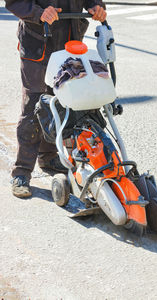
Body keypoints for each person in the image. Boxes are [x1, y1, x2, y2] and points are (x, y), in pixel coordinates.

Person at [5, 0, 106, 198]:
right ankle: (22, 172)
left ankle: (48, 157)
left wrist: (96, 5)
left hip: (70, 42)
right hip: (38, 43)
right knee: (34, 105)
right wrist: (38, 12)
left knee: (60, 101)